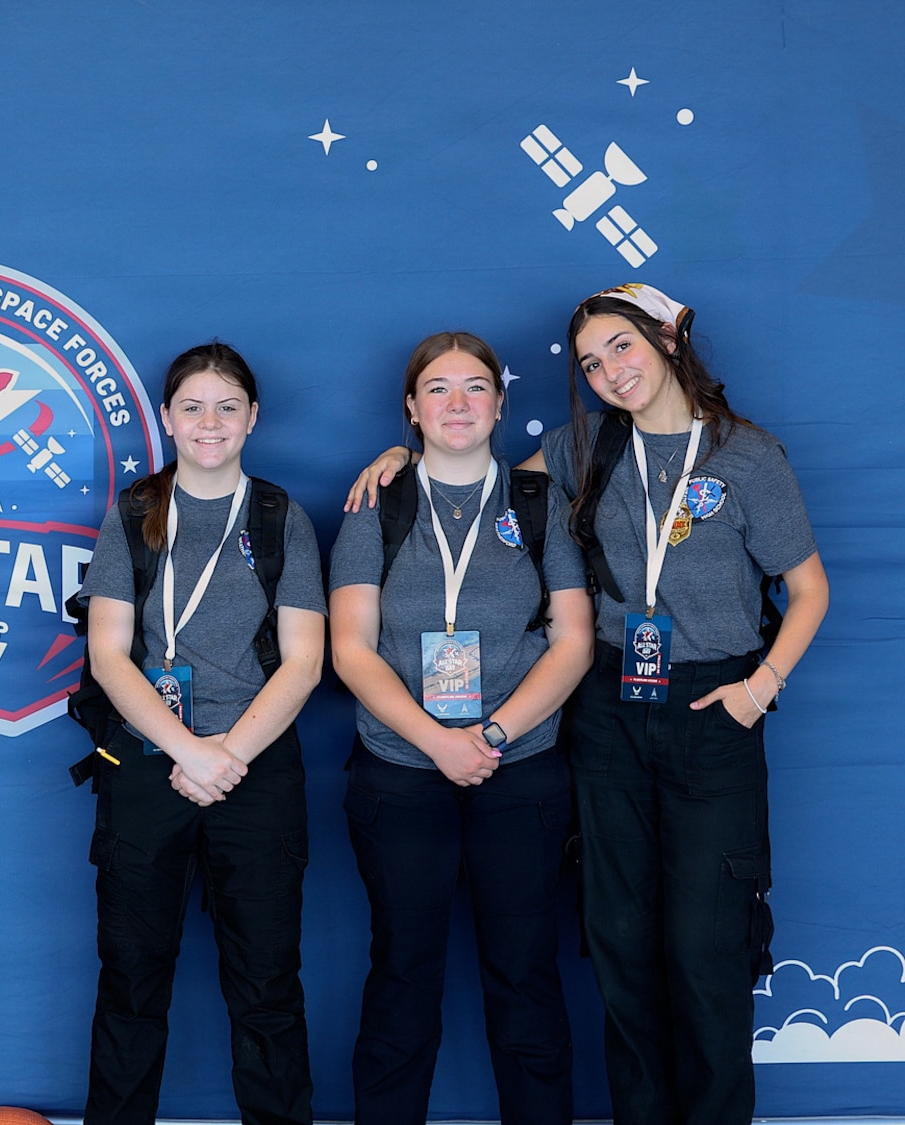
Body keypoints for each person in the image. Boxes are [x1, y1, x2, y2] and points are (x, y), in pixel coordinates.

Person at [346, 285, 828, 1125]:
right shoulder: (584, 448)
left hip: (714, 704)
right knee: (621, 944)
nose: (609, 371)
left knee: (706, 950)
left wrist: (762, 686)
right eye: (592, 361)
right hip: (605, 707)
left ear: (670, 340)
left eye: (622, 348)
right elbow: (485, 477)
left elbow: (809, 587)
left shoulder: (747, 456)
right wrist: (398, 461)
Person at [328, 332, 593, 1125]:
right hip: (401, 774)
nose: (457, 403)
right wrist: (439, 741)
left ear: (501, 402)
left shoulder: (541, 504)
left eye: (474, 387)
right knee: (404, 973)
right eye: (437, 389)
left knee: (526, 976)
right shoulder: (378, 503)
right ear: (410, 407)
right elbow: (349, 646)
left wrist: (496, 735)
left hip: (523, 771)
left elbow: (574, 638)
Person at [74, 342, 326, 1125]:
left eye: (227, 406)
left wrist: (227, 755)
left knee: (267, 984)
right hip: (151, 764)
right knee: (131, 978)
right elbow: (110, 655)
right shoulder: (131, 513)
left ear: (253, 417)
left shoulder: (282, 516)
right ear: (166, 418)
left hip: (256, 766)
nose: (209, 422)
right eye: (192, 406)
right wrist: (189, 752)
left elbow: (306, 660)